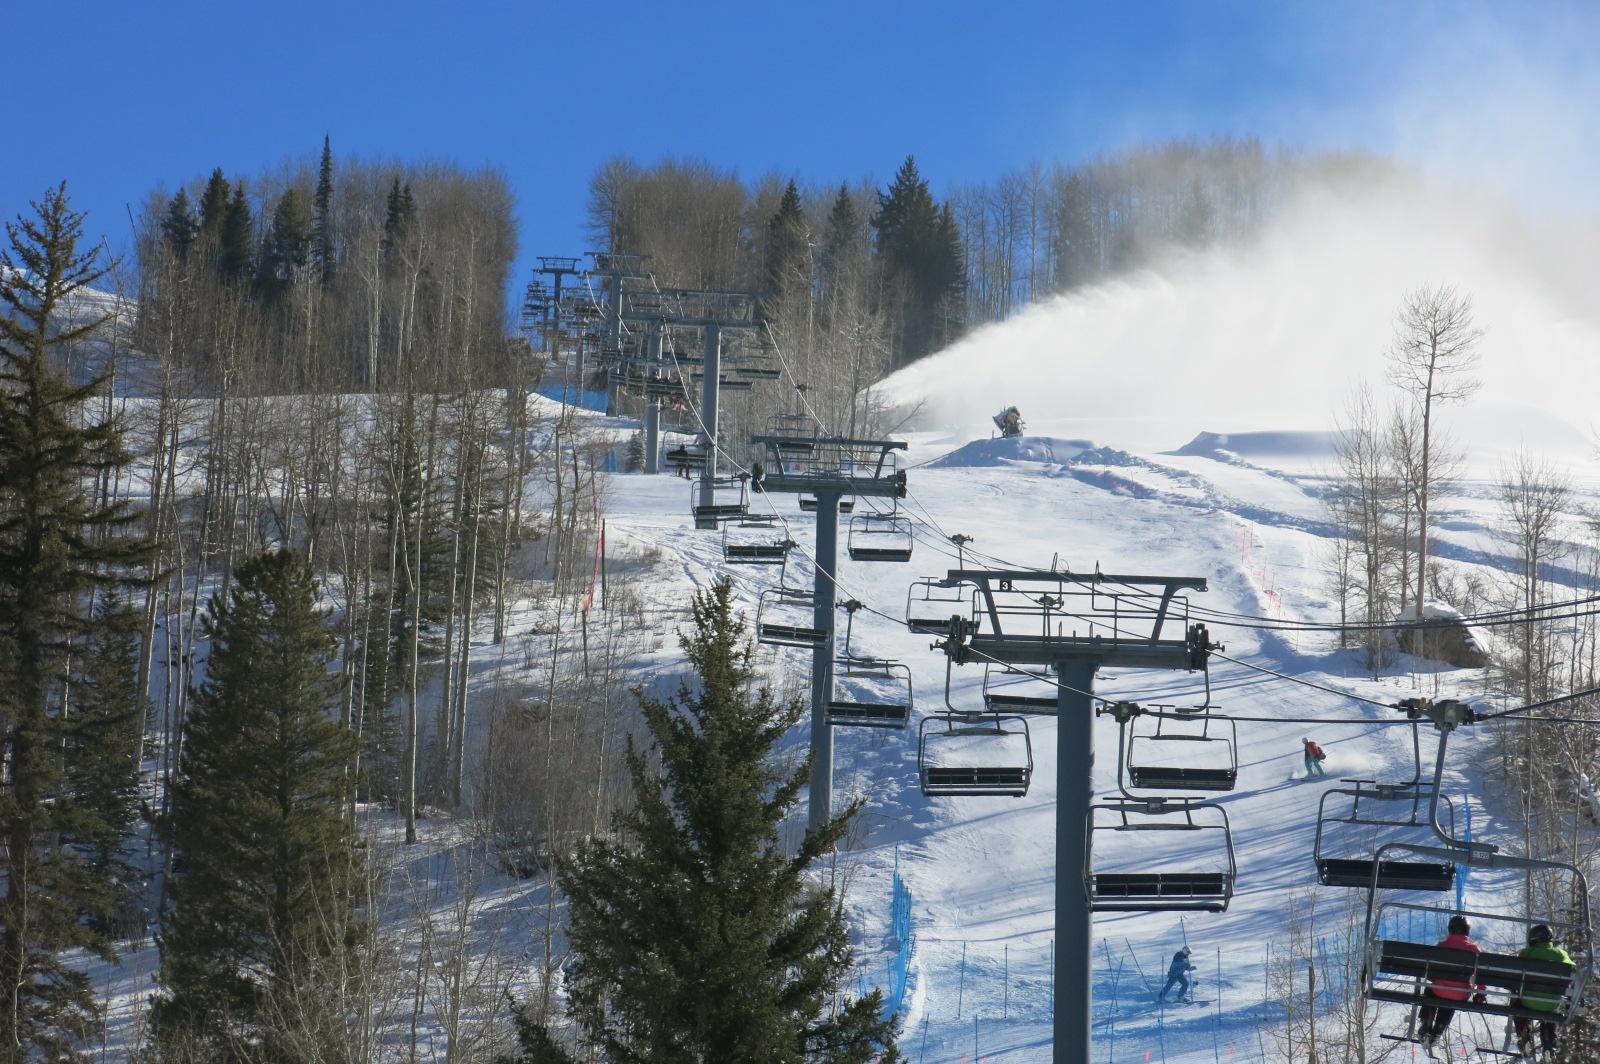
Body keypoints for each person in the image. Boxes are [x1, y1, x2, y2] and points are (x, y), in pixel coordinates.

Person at [1418, 915, 1486, 1048]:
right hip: (1460, 994)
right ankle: (1438, 1029)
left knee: (1431, 991)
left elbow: (1431, 973)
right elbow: (1481, 975)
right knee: (1452, 999)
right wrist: (1481, 992)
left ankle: (1427, 1022)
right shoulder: (1475, 951)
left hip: (1438, 990)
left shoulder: (1441, 946)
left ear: (1450, 929)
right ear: (1467, 930)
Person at [1511, 923, 1574, 1057]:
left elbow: (1515, 973)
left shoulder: (1526, 953)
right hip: (1551, 1003)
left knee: (1517, 1004)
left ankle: (1524, 1034)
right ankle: (1548, 1041)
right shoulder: (1561, 954)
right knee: (1550, 1010)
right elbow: (1573, 972)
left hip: (1529, 1001)